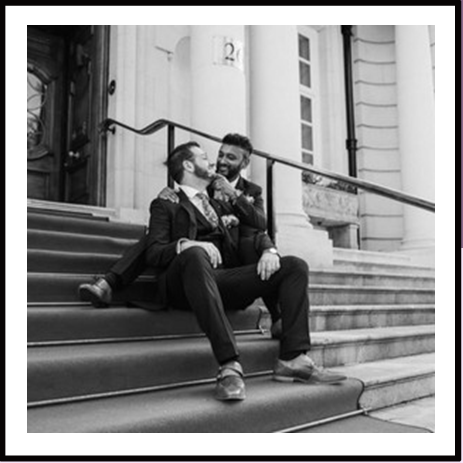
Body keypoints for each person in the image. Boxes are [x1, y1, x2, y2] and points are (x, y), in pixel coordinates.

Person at [144, 141, 346, 401]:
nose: (215, 163)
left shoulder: (218, 201)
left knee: (295, 266)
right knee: (196, 254)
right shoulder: (165, 202)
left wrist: (268, 251)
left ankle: (293, 358)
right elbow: (154, 252)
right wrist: (189, 244)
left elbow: (255, 228)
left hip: (222, 279)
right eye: (207, 158)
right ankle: (229, 365)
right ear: (188, 164)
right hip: (183, 283)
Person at [78, 133, 281, 335]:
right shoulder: (205, 179)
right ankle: (109, 283)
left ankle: (277, 315)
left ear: (245, 163)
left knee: (262, 249)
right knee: (157, 237)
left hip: (234, 250)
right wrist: (169, 199)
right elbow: (188, 198)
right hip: (195, 248)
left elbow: (259, 224)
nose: (221, 161)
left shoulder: (252, 190)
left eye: (230, 157)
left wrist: (234, 196)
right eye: (220, 154)